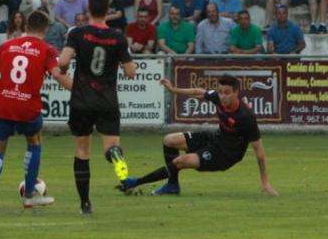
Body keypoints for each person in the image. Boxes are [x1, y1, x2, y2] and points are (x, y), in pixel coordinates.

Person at [118, 75, 277, 196]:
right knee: (169, 140)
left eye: (227, 93)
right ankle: (172, 185)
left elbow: (260, 153)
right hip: (215, 138)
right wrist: (174, 90)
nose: (222, 96)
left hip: (226, 155)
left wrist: (265, 182)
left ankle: (137, 182)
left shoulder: (245, 116)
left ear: (236, 92)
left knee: (180, 161)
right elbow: (199, 92)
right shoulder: (219, 98)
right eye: (220, 92)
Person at [0, 10, 71, 209]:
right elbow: (58, 75)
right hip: (28, 106)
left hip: (2, 104)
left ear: (26, 26)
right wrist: (80, 89)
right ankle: (29, 195)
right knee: (34, 143)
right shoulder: (46, 49)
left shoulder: (7, 45)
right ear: (45, 29)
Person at [56, 0, 136, 214]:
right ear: (108, 10)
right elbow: (130, 72)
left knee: (82, 150)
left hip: (82, 99)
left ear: (88, 9)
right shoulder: (117, 37)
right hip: (107, 100)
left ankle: (85, 203)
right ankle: (116, 156)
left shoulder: (77, 33)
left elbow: (63, 61)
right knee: (110, 145)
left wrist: (63, 69)